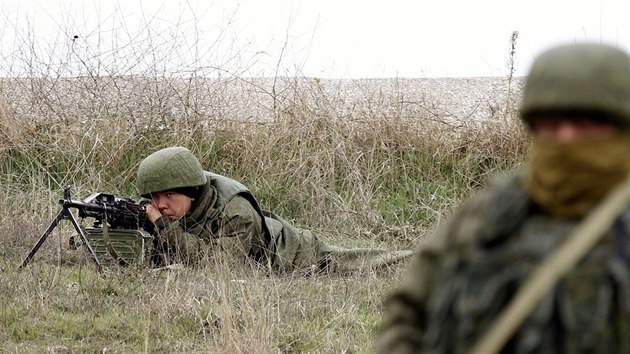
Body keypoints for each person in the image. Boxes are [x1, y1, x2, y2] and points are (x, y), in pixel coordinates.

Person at [376, 42, 630, 353]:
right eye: (550, 123)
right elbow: (408, 313)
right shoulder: (486, 215)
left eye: (586, 122)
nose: (565, 137)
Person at [136, 146, 412, 273]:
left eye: (169, 196)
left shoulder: (236, 209)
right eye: (155, 197)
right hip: (270, 238)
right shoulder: (182, 201)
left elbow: (216, 265)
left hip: (299, 253)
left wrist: (163, 227)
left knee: (367, 262)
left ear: (192, 191)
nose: (160, 205)